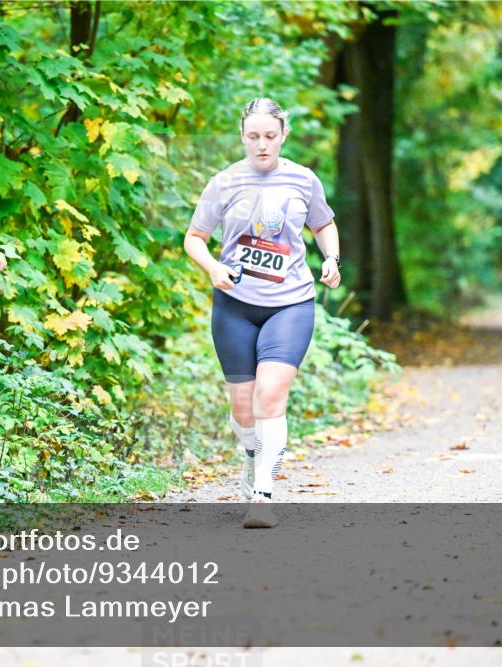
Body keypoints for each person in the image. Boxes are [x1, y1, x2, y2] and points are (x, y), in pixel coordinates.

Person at [184, 98, 341, 529]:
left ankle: (263, 496)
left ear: (283, 135)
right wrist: (213, 267)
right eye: (253, 136)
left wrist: (332, 259)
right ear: (242, 137)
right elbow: (194, 238)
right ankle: (252, 456)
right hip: (235, 305)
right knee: (242, 408)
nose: (262, 145)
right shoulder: (224, 182)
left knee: (269, 395)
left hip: (290, 302)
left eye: (270, 136)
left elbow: (323, 224)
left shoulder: (303, 180)